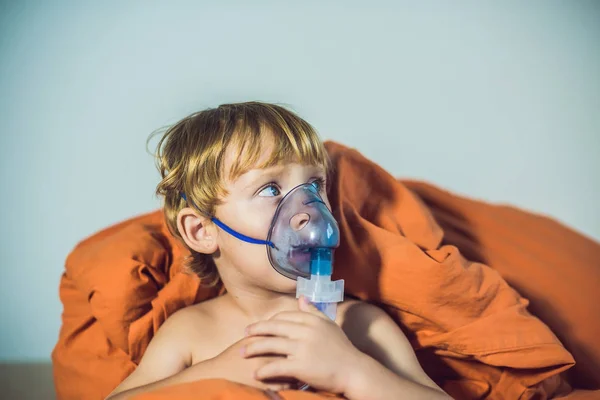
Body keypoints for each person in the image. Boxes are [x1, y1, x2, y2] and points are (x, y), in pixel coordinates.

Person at [106, 102, 450, 399]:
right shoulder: (192, 331)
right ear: (202, 230)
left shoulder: (359, 323)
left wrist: (354, 372)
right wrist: (212, 373)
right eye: (270, 188)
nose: (307, 209)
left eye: (315, 184)